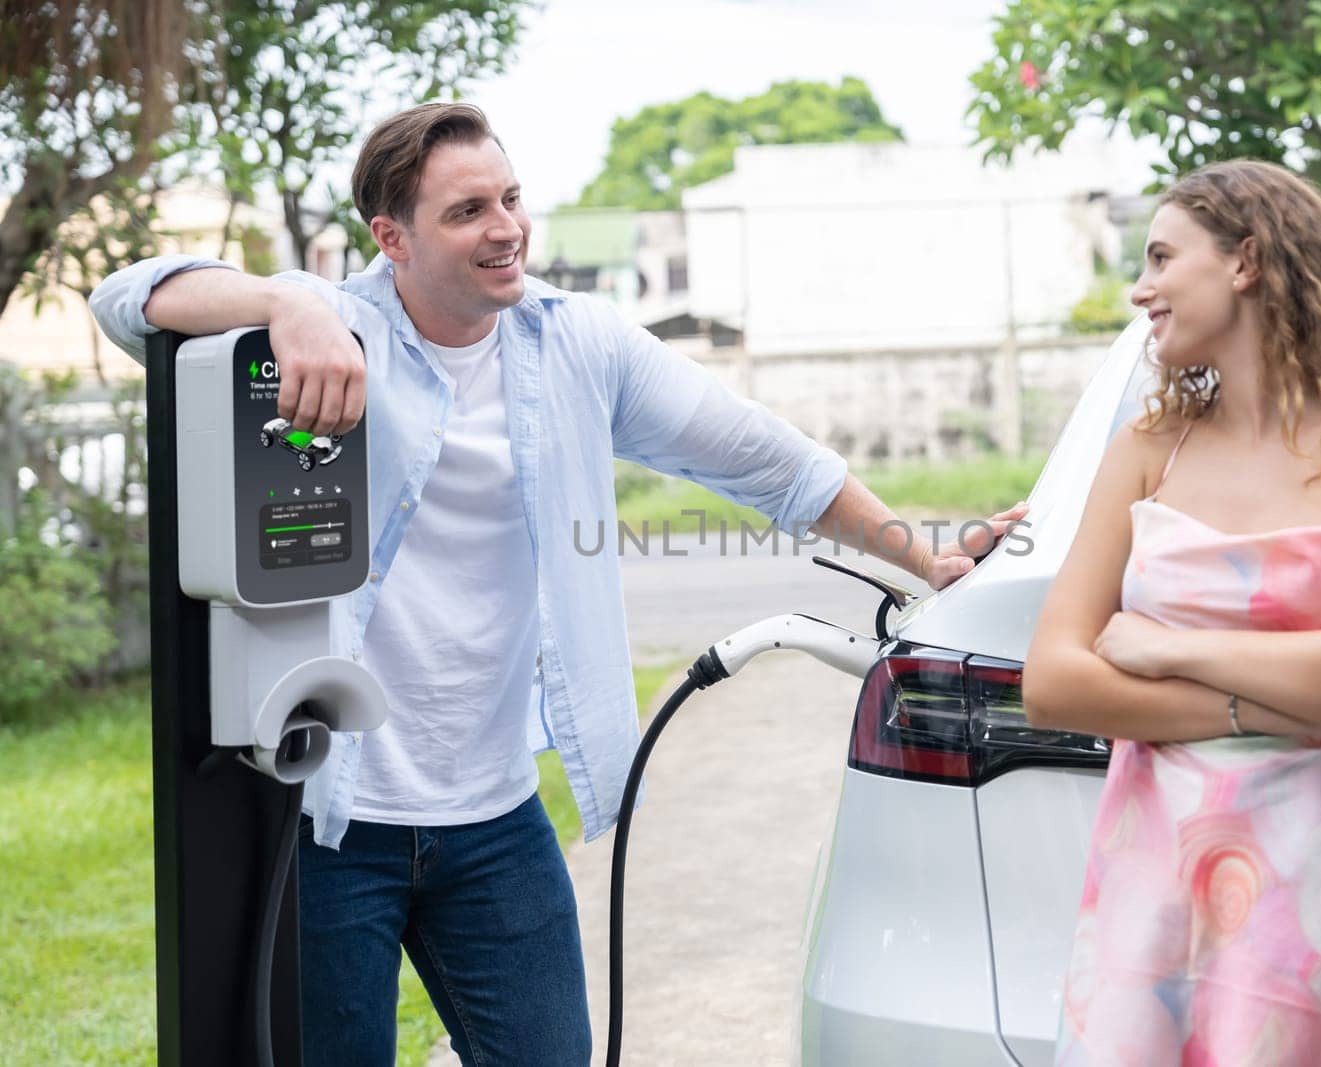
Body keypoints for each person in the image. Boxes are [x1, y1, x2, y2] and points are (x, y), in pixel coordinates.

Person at [90, 102, 1024, 1067]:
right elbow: (127, 296)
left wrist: (928, 555)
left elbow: (766, 460)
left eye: (511, 198)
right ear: (391, 237)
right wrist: (286, 307)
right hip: (339, 818)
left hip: (493, 816)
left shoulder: (580, 343)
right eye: (466, 212)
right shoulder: (339, 319)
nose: (505, 228)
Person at [1021, 160, 1321, 1066]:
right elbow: (1053, 681)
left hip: (1316, 910)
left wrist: (1165, 650)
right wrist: (1303, 696)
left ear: (1246, 262)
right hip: (1150, 915)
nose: (1140, 289)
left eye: (1160, 257)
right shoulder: (1147, 450)